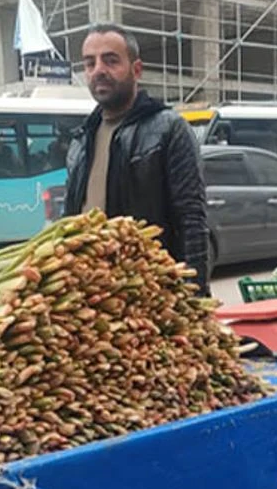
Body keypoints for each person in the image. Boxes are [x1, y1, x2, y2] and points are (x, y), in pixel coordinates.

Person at [64, 23, 210, 294]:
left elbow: (192, 219)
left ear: (137, 69)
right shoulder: (80, 141)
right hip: (94, 295)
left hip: (151, 292)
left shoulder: (168, 128)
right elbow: (69, 220)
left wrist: (196, 296)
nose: (98, 70)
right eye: (89, 63)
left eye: (110, 60)